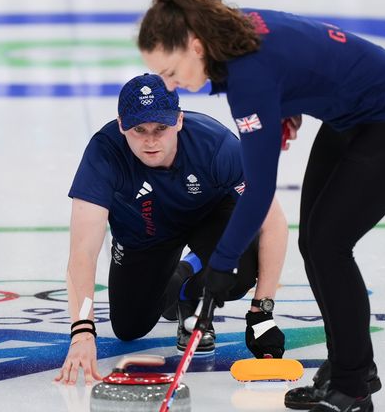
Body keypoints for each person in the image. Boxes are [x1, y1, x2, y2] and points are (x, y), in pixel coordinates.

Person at [137, 0, 385, 411]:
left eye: (171, 73)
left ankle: (353, 387)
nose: (174, 86)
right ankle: (348, 365)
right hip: (351, 116)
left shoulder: (248, 79)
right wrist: (288, 100)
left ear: (195, 45)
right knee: (314, 241)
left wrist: (220, 267)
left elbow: (259, 191)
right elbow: (309, 52)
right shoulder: (233, 31)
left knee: (329, 245)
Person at [53, 73, 288, 385]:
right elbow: (82, 251)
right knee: (129, 327)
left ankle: (190, 292)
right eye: (139, 130)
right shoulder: (104, 154)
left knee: (240, 272)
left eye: (160, 128)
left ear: (178, 120)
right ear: (122, 124)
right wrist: (82, 332)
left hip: (210, 216)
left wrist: (262, 312)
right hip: (145, 231)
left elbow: (274, 223)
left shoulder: (218, 146)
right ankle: (179, 276)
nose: (151, 140)